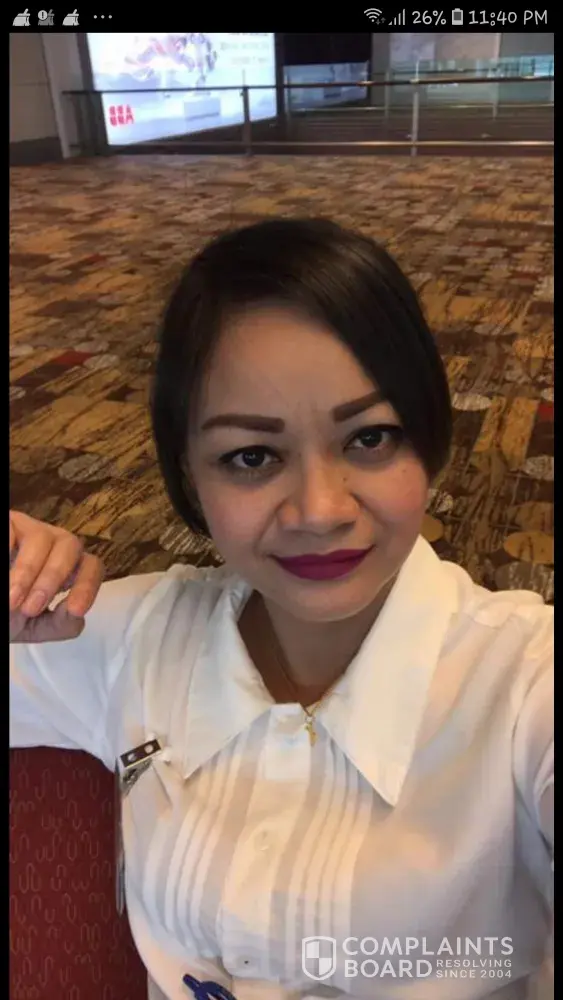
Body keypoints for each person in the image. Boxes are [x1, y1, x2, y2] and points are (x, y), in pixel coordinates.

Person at [10, 219, 553, 1000]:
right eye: (252, 457)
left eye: (370, 438)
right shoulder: (130, 635)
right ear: (188, 477)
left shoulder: (524, 679)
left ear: (428, 439)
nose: (320, 510)